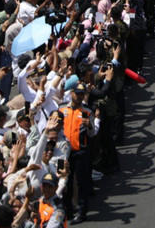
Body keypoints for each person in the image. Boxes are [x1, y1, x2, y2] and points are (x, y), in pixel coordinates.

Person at [61, 83, 98, 224]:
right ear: (72, 93)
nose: (79, 96)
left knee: (82, 182)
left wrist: (89, 125)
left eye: (82, 94)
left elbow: (93, 132)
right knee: (64, 182)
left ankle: (82, 213)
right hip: (63, 153)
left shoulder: (88, 111)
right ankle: (67, 211)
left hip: (80, 152)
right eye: (77, 93)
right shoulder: (62, 108)